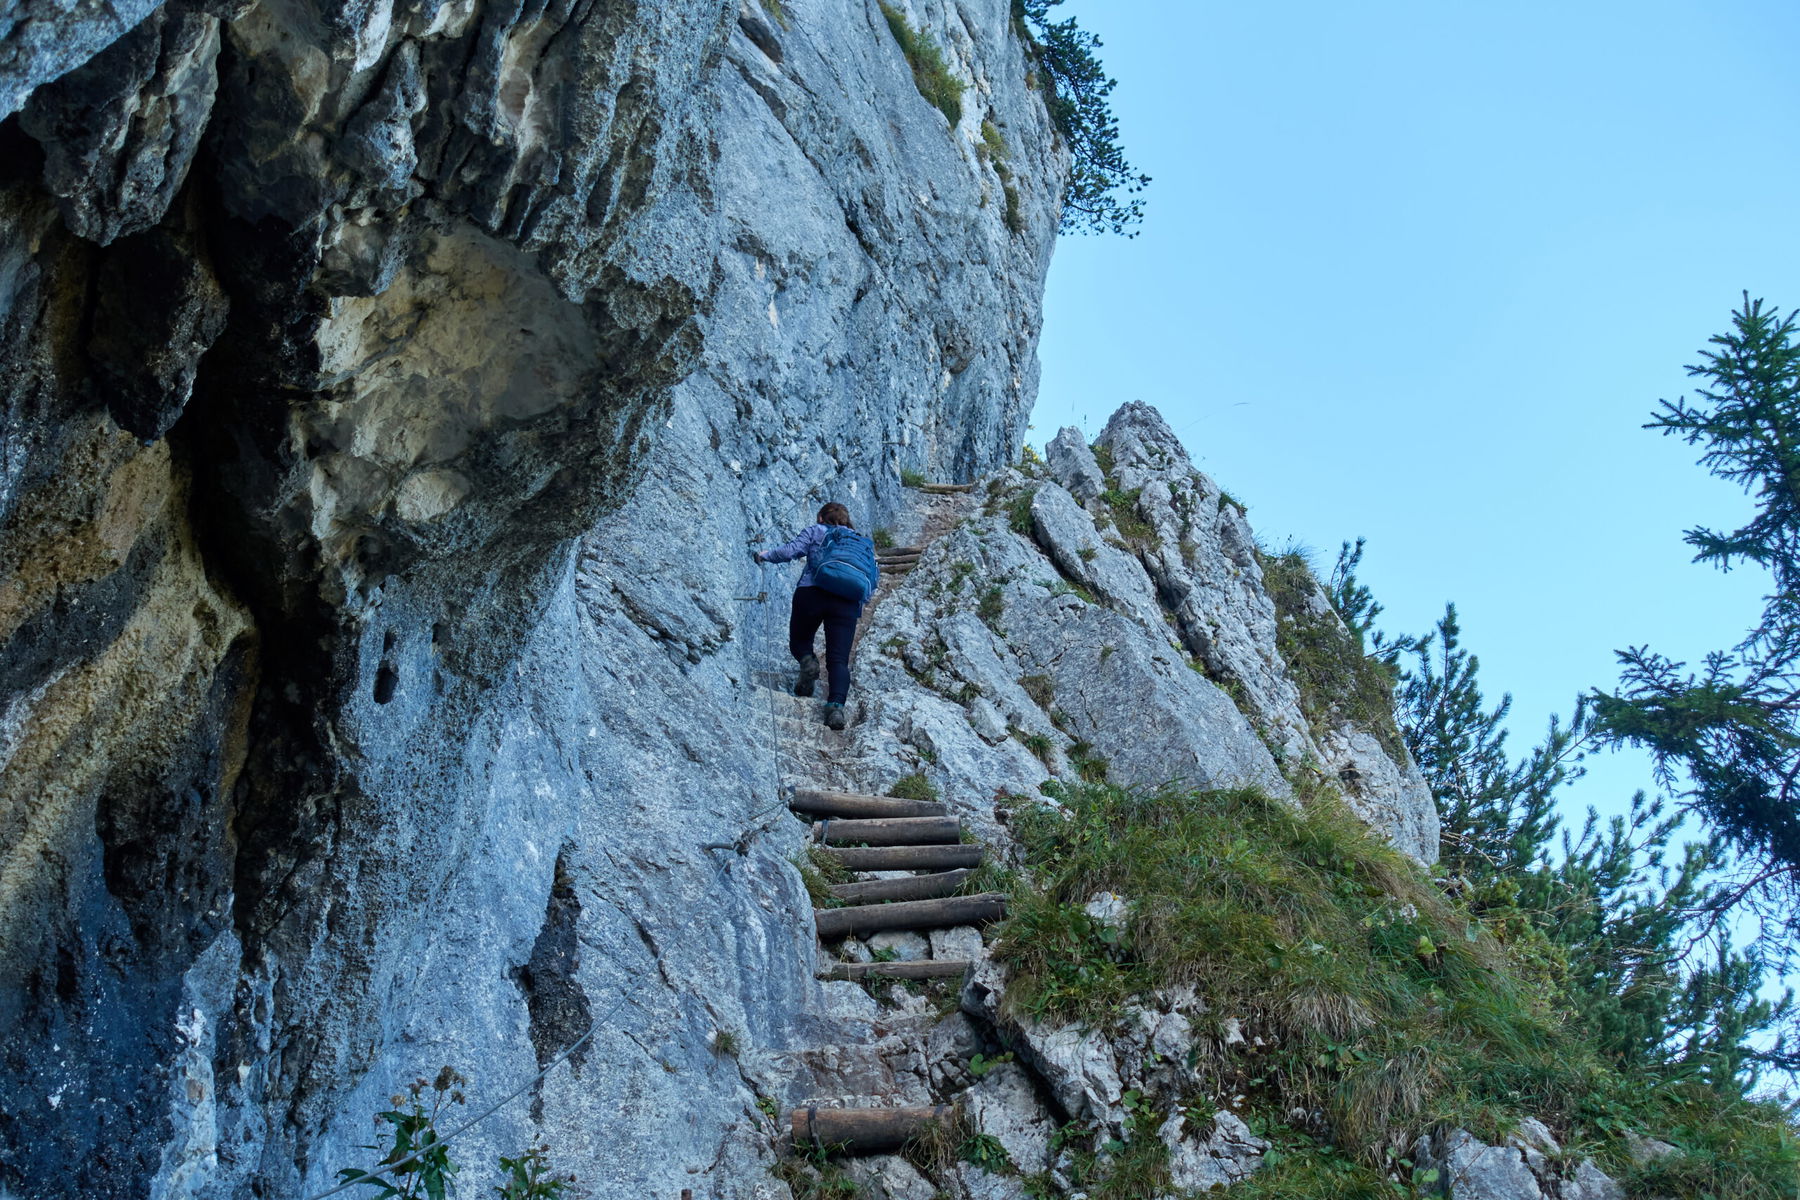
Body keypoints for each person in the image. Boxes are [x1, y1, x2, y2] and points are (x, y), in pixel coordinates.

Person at [754, 502, 872, 730]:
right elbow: (869, 578)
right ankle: (836, 708)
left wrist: (765, 555)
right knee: (839, 660)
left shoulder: (816, 531)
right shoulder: (859, 542)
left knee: (800, 641)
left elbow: (791, 551)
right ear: (847, 521)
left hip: (811, 592)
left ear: (820, 517)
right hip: (846, 602)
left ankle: (808, 662)